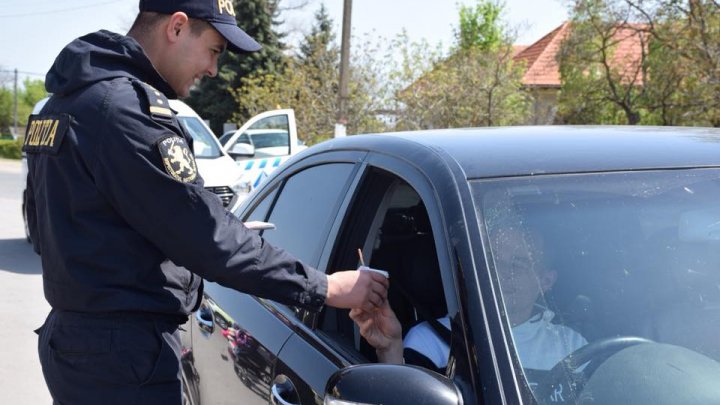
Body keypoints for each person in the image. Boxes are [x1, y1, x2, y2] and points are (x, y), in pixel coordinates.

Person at [24, 1, 388, 404]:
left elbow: (54, 230)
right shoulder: (126, 112)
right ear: (177, 27)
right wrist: (325, 286)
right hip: (121, 358)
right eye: (214, 50)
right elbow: (209, 240)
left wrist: (188, 235)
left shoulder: (65, 104)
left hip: (79, 344)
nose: (213, 69)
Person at [350, 226, 586, 373]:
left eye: (518, 263)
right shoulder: (431, 342)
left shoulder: (571, 346)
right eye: (492, 261)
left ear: (546, 281)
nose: (500, 273)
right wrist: (390, 351)